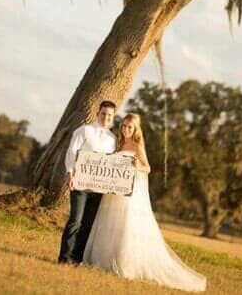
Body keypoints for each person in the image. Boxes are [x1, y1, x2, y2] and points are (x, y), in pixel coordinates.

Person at [83, 113, 207, 292]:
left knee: (124, 225)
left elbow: (147, 168)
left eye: (129, 127)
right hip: (113, 192)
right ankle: (103, 260)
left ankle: (124, 264)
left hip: (128, 193)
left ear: (135, 129)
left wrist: (135, 166)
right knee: (109, 225)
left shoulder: (136, 145)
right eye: (124, 126)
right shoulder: (118, 144)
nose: (126, 129)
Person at [58, 100, 117, 265]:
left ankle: (77, 259)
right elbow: (71, 152)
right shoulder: (83, 131)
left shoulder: (113, 139)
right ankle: (65, 258)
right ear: (98, 113)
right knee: (75, 220)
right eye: (103, 113)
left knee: (88, 224)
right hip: (80, 183)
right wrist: (69, 173)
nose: (106, 117)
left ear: (113, 118)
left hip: (99, 188)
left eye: (110, 115)